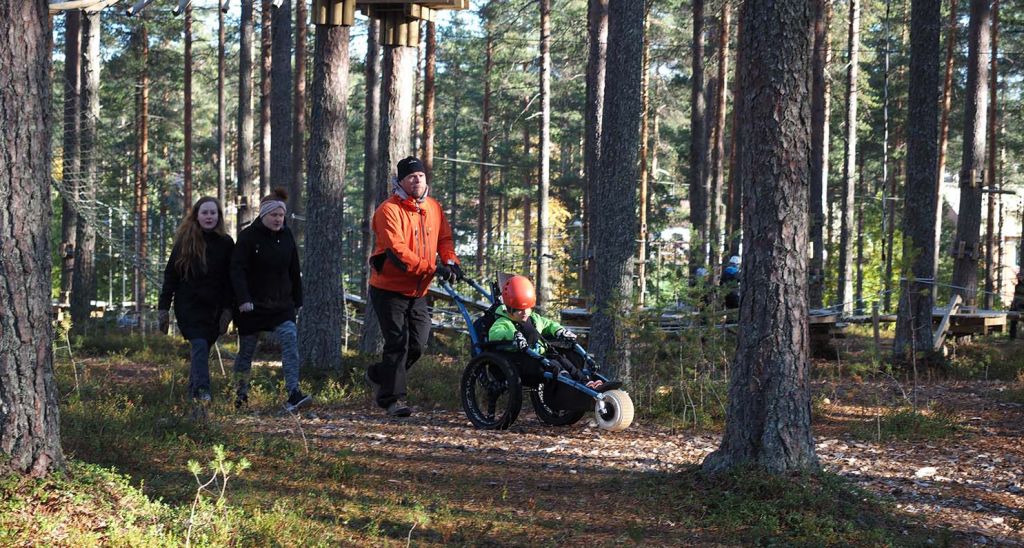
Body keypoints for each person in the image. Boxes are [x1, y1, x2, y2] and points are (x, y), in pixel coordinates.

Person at [365, 156, 462, 417]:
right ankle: (393, 400)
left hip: (418, 290)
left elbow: (444, 239)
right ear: (400, 182)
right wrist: (433, 268)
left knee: (418, 344)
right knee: (397, 343)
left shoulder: (433, 207)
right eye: (410, 177)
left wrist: (451, 262)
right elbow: (398, 253)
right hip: (388, 289)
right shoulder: (388, 211)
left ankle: (378, 375)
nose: (417, 179)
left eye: (419, 175)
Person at [230, 188, 310, 412]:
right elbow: (237, 270)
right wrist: (243, 299)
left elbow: (294, 269)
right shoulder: (247, 237)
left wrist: (298, 299)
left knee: (290, 341)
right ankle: (240, 395)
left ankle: (293, 392)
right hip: (251, 306)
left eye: (281, 215)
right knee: (246, 351)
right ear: (263, 215)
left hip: (281, 305)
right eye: (273, 215)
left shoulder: (287, 235)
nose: (277, 219)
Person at [158, 197, 235, 405]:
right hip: (188, 307)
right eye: (205, 213)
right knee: (199, 344)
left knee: (202, 349)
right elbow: (170, 276)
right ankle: (203, 391)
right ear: (197, 216)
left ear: (218, 216)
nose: (209, 217)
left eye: (213, 213)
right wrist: (163, 309)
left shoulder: (226, 243)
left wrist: (229, 310)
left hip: (214, 309)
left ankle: (192, 398)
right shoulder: (185, 242)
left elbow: (232, 279)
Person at [487, 275, 601, 388]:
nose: (525, 312)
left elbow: (549, 324)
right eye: (520, 310)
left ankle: (585, 381)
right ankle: (572, 386)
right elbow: (495, 334)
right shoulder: (503, 322)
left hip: (542, 355)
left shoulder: (534, 319)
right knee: (554, 366)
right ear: (509, 309)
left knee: (563, 359)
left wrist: (559, 330)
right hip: (523, 360)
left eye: (528, 308)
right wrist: (513, 335)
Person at [1011, 272, 1024, 340]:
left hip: (1022, 305)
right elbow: (1015, 296)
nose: (1019, 278)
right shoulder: (1017, 286)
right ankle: (1012, 336)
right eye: (1018, 277)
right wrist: (1013, 304)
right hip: (1016, 304)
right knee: (1013, 319)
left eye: (1020, 276)